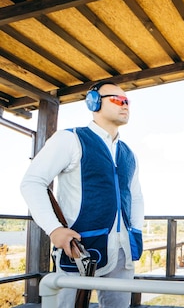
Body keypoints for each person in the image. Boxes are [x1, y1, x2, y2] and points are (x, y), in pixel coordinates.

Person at [20, 81, 145, 308]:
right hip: (78, 249)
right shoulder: (70, 139)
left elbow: (135, 197)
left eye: (127, 101)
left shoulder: (128, 153)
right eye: (117, 99)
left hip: (122, 251)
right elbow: (32, 182)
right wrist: (54, 229)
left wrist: (136, 231)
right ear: (94, 101)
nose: (125, 105)